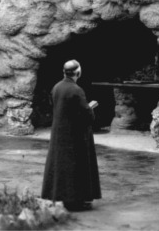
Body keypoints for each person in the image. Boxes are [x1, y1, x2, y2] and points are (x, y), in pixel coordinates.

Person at [41, 60, 101, 211]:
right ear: (78, 73)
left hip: (59, 133)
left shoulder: (56, 87)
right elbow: (87, 115)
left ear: (64, 72)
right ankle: (76, 200)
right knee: (77, 166)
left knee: (61, 166)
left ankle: (57, 196)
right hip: (76, 135)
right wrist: (91, 108)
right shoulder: (76, 90)